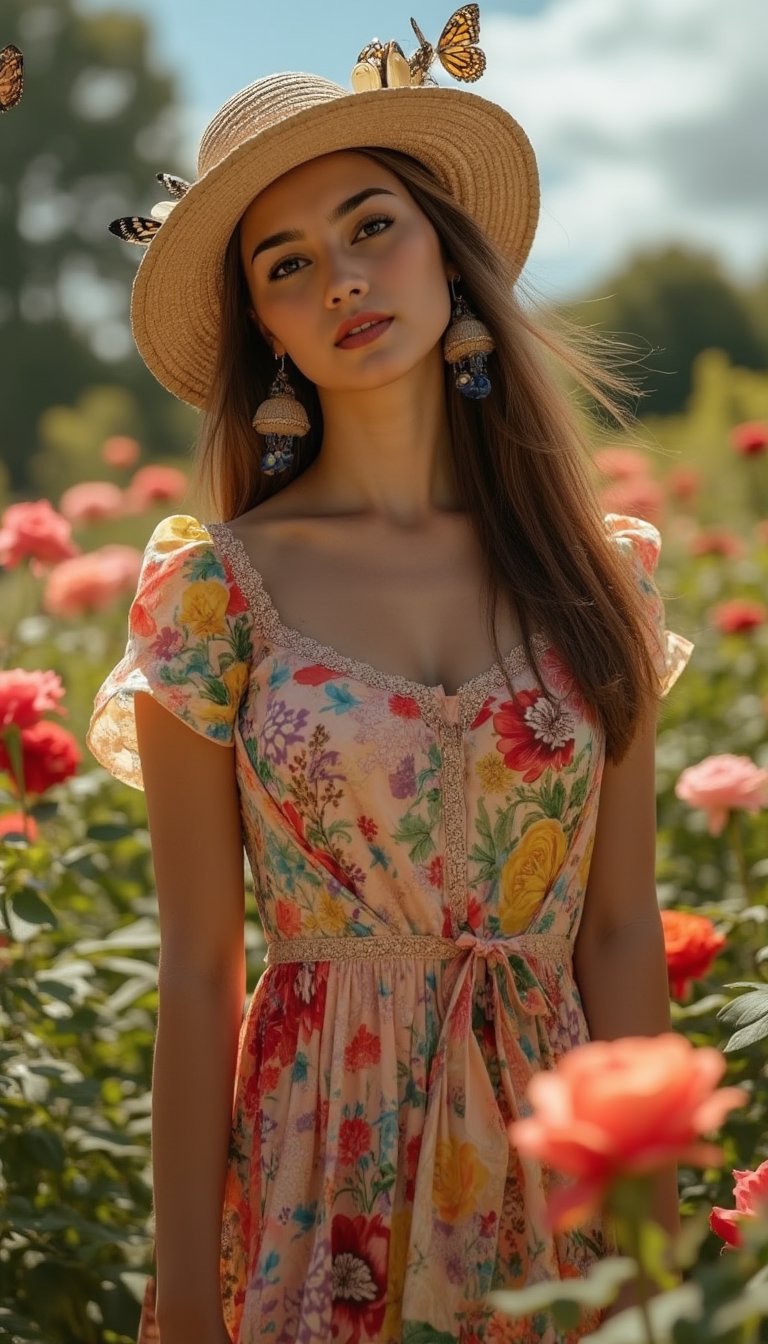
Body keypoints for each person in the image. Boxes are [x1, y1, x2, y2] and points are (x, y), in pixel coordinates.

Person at [86, 9, 693, 1342]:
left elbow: (618, 929)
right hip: (318, 1161)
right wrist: (184, 1297)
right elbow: (196, 965)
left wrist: (652, 1264)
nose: (345, 280)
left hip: (557, 1168)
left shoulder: (600, 572)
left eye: (373, 226)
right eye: (289, 263)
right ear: (264, 326)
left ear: (447, 254)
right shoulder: (215, 591)